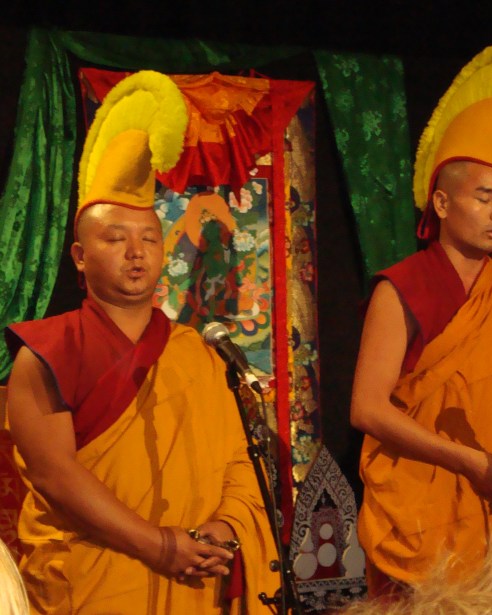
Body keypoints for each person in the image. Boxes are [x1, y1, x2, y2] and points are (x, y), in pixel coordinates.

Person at [4, 71, 279, 613]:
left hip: (196, 576)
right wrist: (158, 546)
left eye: (149, 238)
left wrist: (222, 529)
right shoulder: (47, 352)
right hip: (97, 581)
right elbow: (55, 476)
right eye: (115, 238)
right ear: (80, 258)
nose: (137, 253)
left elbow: (237, 460)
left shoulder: (199, 353)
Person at [350, 41, 492, 595]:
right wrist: (471, 462)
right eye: (482, 197)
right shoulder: (402, 288)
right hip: (425, 516)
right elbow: (366, 407)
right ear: (443, 205)